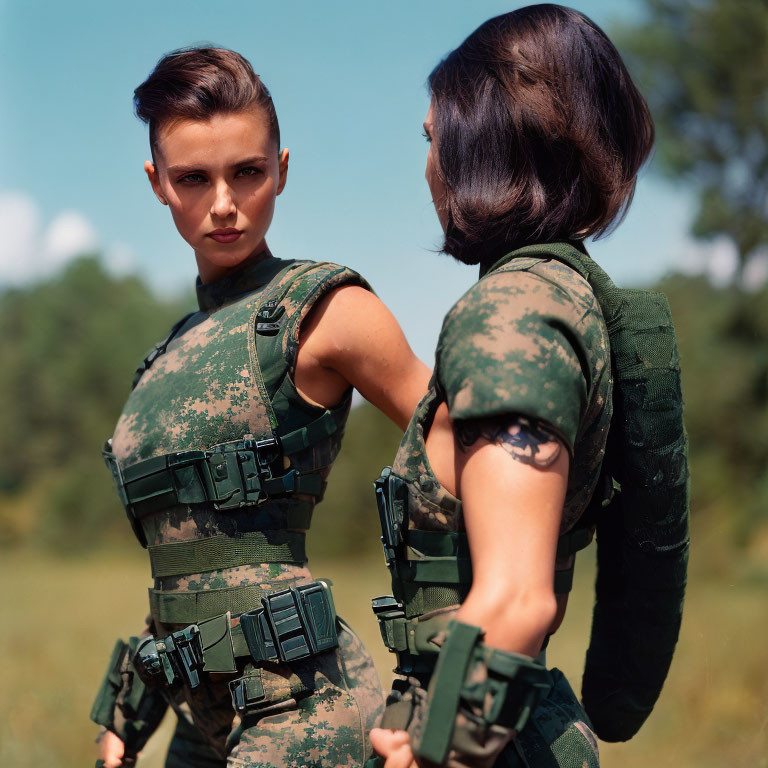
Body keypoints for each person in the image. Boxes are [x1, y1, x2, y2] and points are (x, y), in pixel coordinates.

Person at [91, 46, 433, 768]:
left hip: (306, 714)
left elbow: (473, 462)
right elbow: (185, 561)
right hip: (199, 720)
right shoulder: (164, 358)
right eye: (194, 178)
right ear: (157, 183)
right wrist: (131, 703)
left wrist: (436, 678)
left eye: (247, 172)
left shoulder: (327, 310)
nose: (223, 203)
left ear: (281, 167)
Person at [366, 5, 685, 767]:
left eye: (434, 138)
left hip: (480, 739)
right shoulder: (564, 295)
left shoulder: (511, 312)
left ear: (482, 142)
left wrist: (434, 747)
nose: (428, 166)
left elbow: (518, 598)